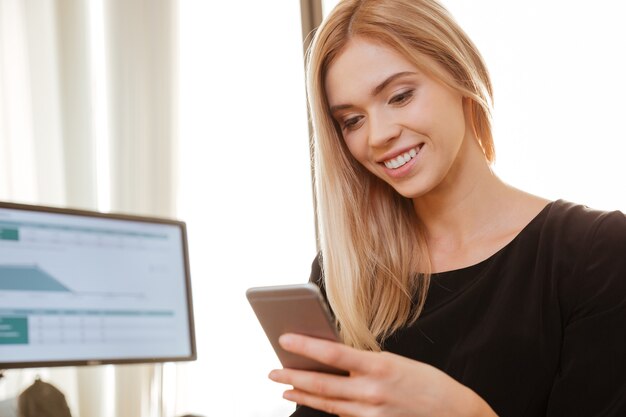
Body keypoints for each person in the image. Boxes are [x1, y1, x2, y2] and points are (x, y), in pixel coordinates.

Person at [267, 0, 626, 416]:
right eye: (352, 120)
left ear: (458, 74)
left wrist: (461, 411)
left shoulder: (596, 255)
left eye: (399, 96)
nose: (378, 135)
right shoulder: (345, 277)